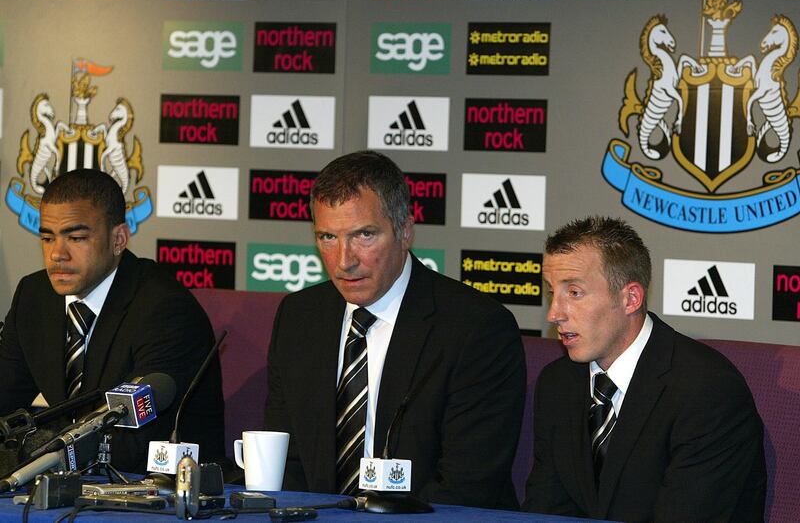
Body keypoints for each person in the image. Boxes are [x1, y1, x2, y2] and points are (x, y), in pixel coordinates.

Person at [263, 150, 526, 509]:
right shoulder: (299, 316)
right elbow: (287, 461)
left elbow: (468, 485)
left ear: (404, 231)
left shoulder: (475, 328)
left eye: (364, 235)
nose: (344, 260)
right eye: (328, 237)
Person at [523, 216, 766, 522]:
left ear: (630, 298)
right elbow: (546, 509)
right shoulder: (558, 382)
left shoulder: (707, 391)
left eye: (574, 293)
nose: (554, 313)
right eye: (551, 293)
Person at [0, 169, 225, 473]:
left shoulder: (166, 308)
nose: (57, 254)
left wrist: (30, 445)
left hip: (160, 493)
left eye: (76, 238)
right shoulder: (34, 295)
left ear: (118, 239)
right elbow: (6, 400)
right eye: (47, 237)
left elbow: (132, 445)